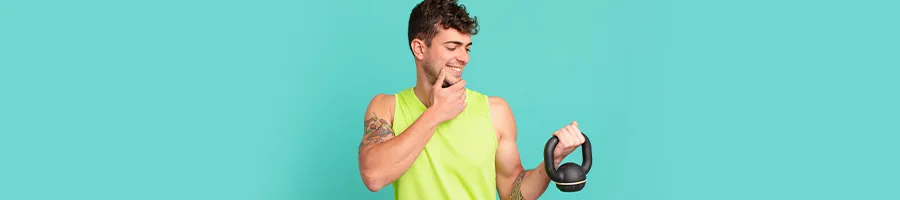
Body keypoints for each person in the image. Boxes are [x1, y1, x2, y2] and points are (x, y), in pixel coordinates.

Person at [357, 0, 586, 199]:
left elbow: (512, 194)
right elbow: (373, 177)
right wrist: (436, 114)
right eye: (452, 47)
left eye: (467, 48)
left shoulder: (495, 111)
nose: (463, 58)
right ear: (419, 49)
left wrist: (551, 162)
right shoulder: (387, 107)